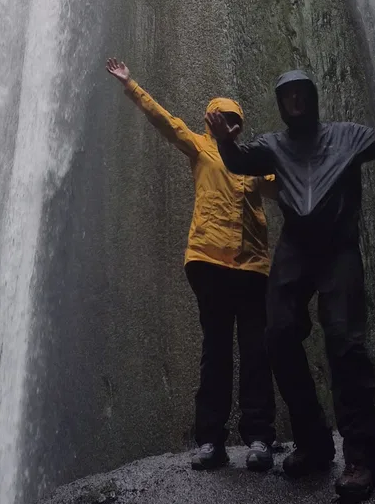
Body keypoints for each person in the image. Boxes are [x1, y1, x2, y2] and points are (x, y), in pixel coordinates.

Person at [207, 68, 375, 504]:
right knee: (276, 336)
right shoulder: (274, 144)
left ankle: (362, 458)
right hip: (296, 246)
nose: (294, 102)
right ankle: (313, 443)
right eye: (287, 97)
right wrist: (224, 139)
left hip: (338, 248)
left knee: (345, 343)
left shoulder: (347, 136)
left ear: (312, 98)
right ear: (281, 104)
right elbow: (238, 162)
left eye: (300, 95)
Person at [106, 58, 277, 472]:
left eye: (235, 120)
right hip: (209, 263)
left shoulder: (254, 161)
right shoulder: (201, 148)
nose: (229, 125)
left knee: (256, 353)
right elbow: (166, 122)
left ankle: (258, 438)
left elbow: (285, 183)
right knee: (215, 351)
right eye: (222, 119)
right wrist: (131, 85)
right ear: (210, 122)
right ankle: (211, 442)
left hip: (253, 267)